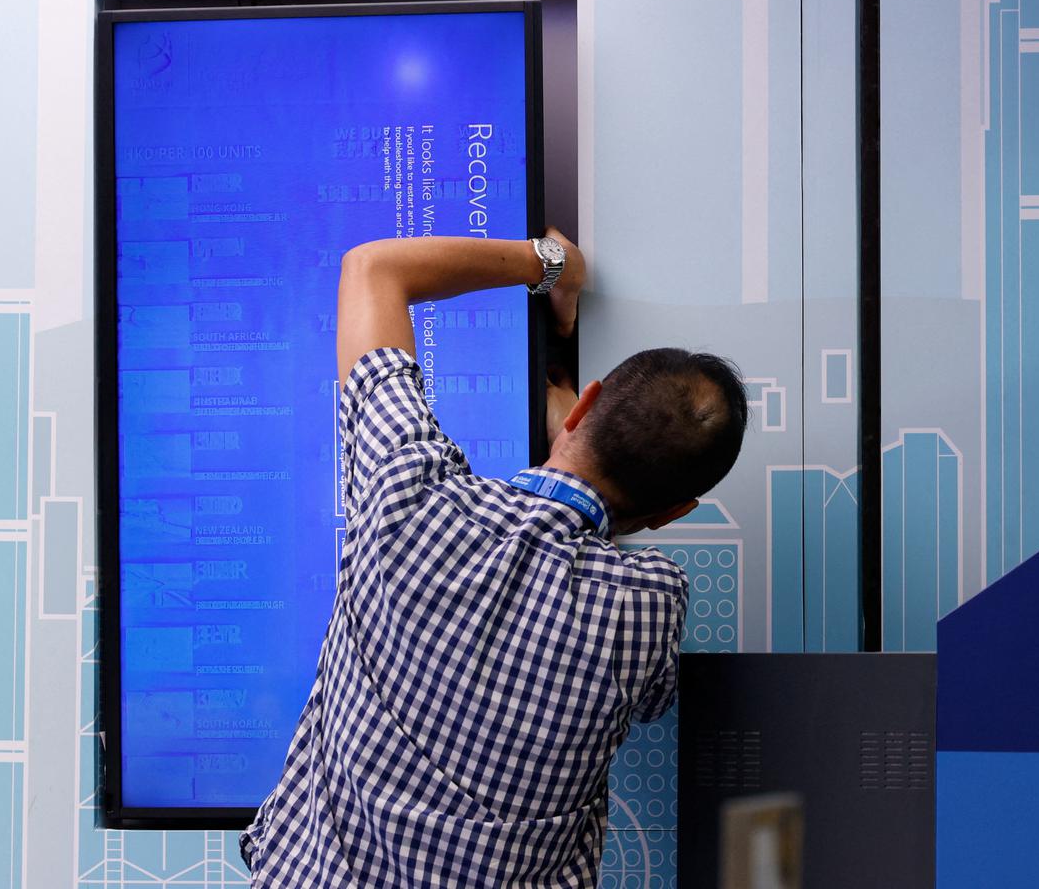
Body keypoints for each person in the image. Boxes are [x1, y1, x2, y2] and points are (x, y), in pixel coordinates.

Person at [239, 231, 748, 887]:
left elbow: (372, 269)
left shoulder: (409, 495)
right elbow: (649, 699)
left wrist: (554, 267)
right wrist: (588, 467)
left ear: (585, 404)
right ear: (673, 514)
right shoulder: (648, 605)